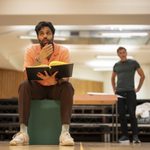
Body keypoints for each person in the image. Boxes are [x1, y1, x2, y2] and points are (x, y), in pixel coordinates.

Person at [9, 21, 74, 146]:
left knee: (68, 87)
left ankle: (65, 133)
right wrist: (39, 58)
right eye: (41, 33)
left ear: (53, 35)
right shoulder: (30, 50)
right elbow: (27, 75)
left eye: (48, 33)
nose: (45, 36)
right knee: (24, 85)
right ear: (38, 36)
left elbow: (66, 77)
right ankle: (23, 133)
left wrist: (53, 80)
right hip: (37, 88)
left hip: (56, 87)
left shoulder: (63, 51)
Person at [111, 46, 145, 144]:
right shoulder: (116, 65)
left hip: (130, 92)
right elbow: (112, 78)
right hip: (119, 93)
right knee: (121, 115)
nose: (123, 54)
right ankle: (125, 136)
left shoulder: (133, 63)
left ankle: (135, 136)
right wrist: (114, 90)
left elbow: (142, 76)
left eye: (124, 52)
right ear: (118, 55)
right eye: (120, 53)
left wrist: (138, 88)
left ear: (126, 53)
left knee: (132, 114)